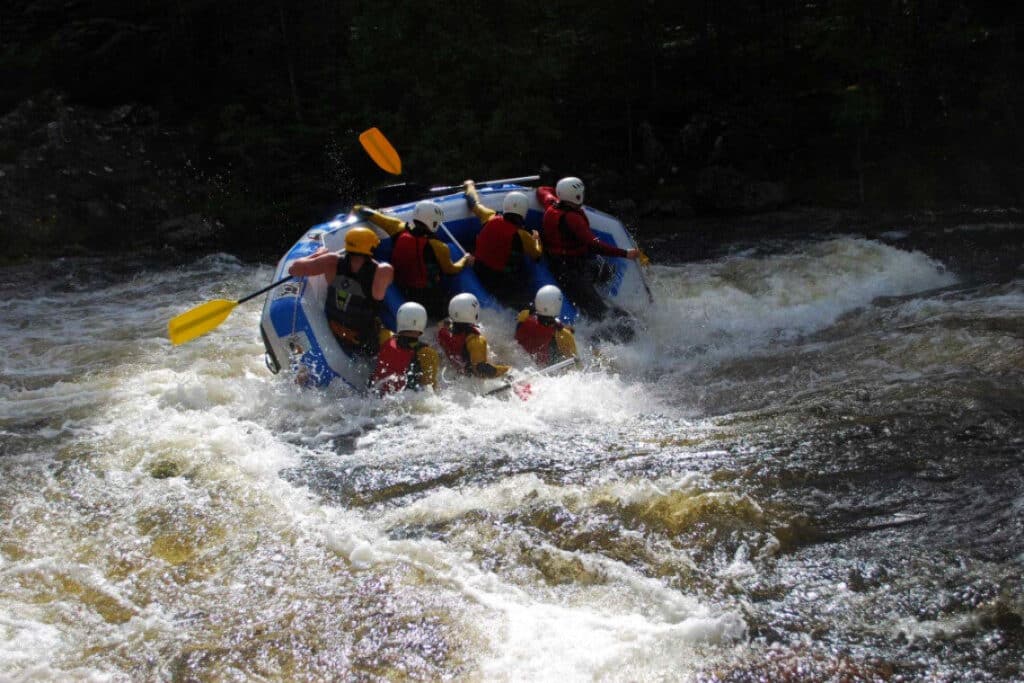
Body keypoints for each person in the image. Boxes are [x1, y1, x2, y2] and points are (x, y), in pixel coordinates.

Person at [536, 176, 639, 323]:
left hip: (574, 261)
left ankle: (596, 294)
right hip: (569, 271)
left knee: (607, 271)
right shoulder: (573, 219)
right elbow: (594, 245)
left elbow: (542, 190)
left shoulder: (551, 204)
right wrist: (625, 253)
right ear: (576, 196)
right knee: (600, 314)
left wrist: (560, 191)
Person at [354, 200, 473, 320]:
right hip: (430, 298)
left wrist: (358, 208)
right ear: (433, 222)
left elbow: (366, 212)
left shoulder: (397, 227)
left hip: (403, 290)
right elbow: (451, 270)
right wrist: (465, 259)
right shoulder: (439, 246)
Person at [287, 227, 393, 357]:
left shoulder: (331, 261)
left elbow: (293, 269)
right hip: (364, 341)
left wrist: (318, 254)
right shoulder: (383, 271)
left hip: (335, 332)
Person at [463, 180, 542, 310]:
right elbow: (537, 255)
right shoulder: (523, 236)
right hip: (503, 283)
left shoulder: (489, 217)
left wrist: (469, 186)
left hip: (479, 270)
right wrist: (537, 239)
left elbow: (473, 203)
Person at [370, 302, 439, 394]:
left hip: (375, 394)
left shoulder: (385, 337)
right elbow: (430, 388)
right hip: (405, 399)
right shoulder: (428, 353)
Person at [437, 293, 510, 379]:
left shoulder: (443, 331)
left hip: (456, 375)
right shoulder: (475, 340)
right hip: (472, 381)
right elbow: (480, 369)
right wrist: (508, 371)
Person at [514, 285, 579, 366]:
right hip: (541, 367)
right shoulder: (562, 333)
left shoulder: (524, 315)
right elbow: (576, 364)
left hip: (517, 359)